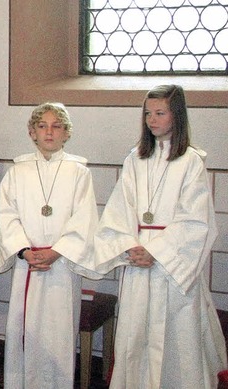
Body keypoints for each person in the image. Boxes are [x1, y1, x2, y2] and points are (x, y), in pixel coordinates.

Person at [93, 84, 227, 388]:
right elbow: (119, 209)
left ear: (176, 115)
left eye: (160, 113)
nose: (152, 120)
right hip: (139, 263)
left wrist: (156, 250)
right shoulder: (134, 160)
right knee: (136, 340)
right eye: (148, 113)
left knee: (177, 344)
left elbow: (196, 220)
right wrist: (129, 246)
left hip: (172, 268)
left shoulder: (191, 162)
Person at [0, 102, 99, 388]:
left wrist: (55, 252)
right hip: (27, 264)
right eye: (42, 126)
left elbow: (84, 219)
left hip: (62, 266)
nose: (49, 132)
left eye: (56, 126)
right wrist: (25, 251)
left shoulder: (79, 172)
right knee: (23, 331)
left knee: (59, 335)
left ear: (67, 133)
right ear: (32, 132)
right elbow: (7, 215)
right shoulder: (18, 171)